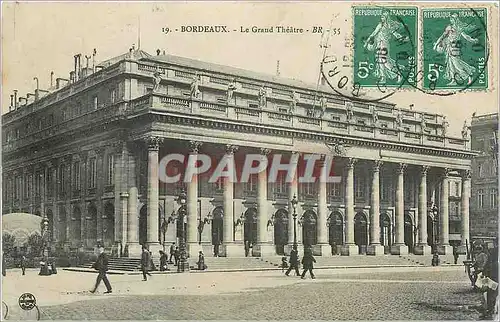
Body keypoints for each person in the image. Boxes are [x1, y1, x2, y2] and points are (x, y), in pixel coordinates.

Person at [482, 239, 499, 319]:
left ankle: (490, 311)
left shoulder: (493, 252)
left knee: (490, 293)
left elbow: (487, 264)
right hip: (495, 275)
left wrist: (483, 274)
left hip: (492, 275)